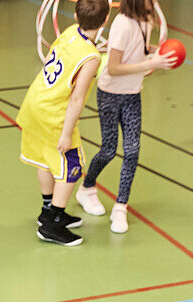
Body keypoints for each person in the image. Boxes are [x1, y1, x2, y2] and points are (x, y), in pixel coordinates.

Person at [75, 0, 175, 234]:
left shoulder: (146, 19)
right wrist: (152, 63)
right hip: (110, 93)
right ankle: (87, 188)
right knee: (109, 149)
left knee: (132, 151)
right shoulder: (122, 24)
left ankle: (121, 206)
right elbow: (113, 67)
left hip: (132, 95)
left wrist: (152, 51)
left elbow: (136, 48)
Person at [16, 0, 109, 247]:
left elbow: (49, 59)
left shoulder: (69, 32)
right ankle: (52, 225)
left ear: (76, 16)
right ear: (105, 21)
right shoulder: (91, 57)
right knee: (72, 166)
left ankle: (48, 210)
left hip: (36, 101)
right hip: (53, 114)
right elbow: (77, 99)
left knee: (45, 160)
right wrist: (66, 134)